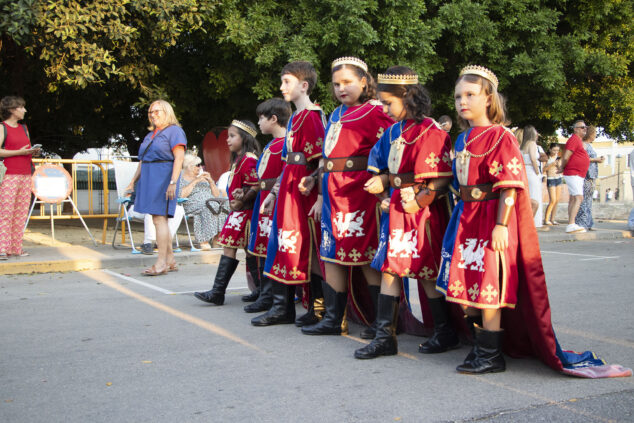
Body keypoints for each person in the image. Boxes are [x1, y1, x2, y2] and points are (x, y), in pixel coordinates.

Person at [435, 65, 624, 377]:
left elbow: (510, 184)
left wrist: (500, 225)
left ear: (488, 98)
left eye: (470, 95)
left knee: (487, 288)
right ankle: (480, 344)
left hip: (491, 219)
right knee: (462, 285)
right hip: (464, 218)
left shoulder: (501, 138)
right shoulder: (460, 139)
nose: (461, 102)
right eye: (458, 96)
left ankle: (491, 355)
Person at [353, 66, 453, 359]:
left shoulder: (433, 131)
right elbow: (385, 167)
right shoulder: (392, 131)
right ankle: (386, 337)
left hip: (422, 212)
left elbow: (443, 176)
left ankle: (445, 331)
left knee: (425, 272)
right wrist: (382, 183)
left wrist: (421, 200)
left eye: (388, 103)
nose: (384, 108)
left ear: (408, 96)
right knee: (389, 268)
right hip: (396, 209)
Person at [298, 57, 394, 337]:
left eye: (348, 82)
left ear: (364, 82)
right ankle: (332, 318)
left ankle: (382, 322)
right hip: (330, 192)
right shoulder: (337, 112)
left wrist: (385, 183)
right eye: (337, 83)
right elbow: (327, 156)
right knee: (330, 254)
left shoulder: (376, 111)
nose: (341, 88)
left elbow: (392, 149)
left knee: (365, 257)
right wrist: (314, 179)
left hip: (359, 193)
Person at [251, 61, 327, 327]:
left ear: (303, 86)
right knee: (283, 244)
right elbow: (287, 163)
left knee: (304, 248)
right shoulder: (295, 118)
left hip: (303, 191)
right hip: (288, 189)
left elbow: (320, 161)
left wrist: (319, 197)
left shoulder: (314, 116)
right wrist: (273, 193)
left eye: (287, 82)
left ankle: (319, 308)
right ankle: (282, 308)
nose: (282, 87)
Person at [194, 120, 260, 305]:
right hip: (238, 211)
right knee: (249, 252)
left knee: (233, 249)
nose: (228, 140)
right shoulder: (239, 159)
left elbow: (256, 184)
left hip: (245, 213)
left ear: (244, 137)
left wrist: (242, 199)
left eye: (232, 136)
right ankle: (260, 291)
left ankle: (218, 292)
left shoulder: (249, 159)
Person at [126, 100, 186, 275]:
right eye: (150, 112)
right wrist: (132, 182)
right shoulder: (150, 135)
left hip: (164, 176)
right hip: (149, 177)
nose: (152, 115)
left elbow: (179, 159)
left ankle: (161, 263)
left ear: (167, 112)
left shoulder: (175, 131)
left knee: (159, 219)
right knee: (159, 220)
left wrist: (173, 182)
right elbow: (143, 160)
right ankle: (170, 260)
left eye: (156, 111)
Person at [244, 98, 291, 313]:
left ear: (273, 119)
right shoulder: (271, 144)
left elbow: (284, 174)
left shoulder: (285, 144)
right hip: (262, 199)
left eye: (261, 119)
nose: (259, 123)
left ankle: (271, 295)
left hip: (274, 199)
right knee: (261, 248)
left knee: (271, 248)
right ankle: (264, 293)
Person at [0, 96, 41, 259]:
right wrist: (20, 152)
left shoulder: (24, 128)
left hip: (25, 174)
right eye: (21, 107)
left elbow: (25, 148)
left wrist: (32, 151)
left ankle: (16, 248)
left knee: (20, 212)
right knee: (6, 212)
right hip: (9, 175)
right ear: (11, 110)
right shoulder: (2, 127)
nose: (25, 110)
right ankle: (2, 248)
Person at [179, 152, 226, 248]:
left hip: (211, 202)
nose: (201, 167)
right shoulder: (181, 179)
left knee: (223, 205)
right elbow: (181, 195)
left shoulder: (204, 179)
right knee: (209, 206)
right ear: (189, 166)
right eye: (198, 165)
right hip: (191, 205)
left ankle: (218, 238)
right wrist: (195, 181)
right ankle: (203, 240)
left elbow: (216, 195)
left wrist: (211, 182)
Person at [559, 120, 590, 233]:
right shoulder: (574, 139)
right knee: (578, 197)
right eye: (582, 127)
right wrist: (562, 167)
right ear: (575, 129)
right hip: (573, 173)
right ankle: (571, 224)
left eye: (585, 127)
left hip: (577, 174)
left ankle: (571, 223)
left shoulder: (578, 140)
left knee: (573, 198)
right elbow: (566, 155)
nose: (585, 129)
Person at [575, 126, 604, 230]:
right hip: (586, 175)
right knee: (584, 199)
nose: (595, 135)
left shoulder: (589, 146)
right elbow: (583, 158)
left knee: (589, 200)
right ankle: (582, 222)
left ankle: (588, 222)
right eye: (594, 133)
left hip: (591, 175)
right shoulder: (583, 145)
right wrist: (596, 159)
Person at [520, 125, 542, 220]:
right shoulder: (532, 144)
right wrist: (537, 172)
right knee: (534, 196)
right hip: (532, 171)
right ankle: (534, 220)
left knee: (528, 196)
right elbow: (533, 158)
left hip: (524, 171)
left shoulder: (522, 145)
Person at [543, 143, 562, 225]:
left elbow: (561, 169)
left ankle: (553, 219)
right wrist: (551, 164)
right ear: (550, 149)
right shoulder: (546, 158)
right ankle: (546, 219)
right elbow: (543, 169)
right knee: (552, 200)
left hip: (558, 178)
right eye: (554, 150)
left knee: (557, 200)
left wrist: (558, 165)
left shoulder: (558, 158)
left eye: (557, 150)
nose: (555, 152)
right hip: (551, 179)